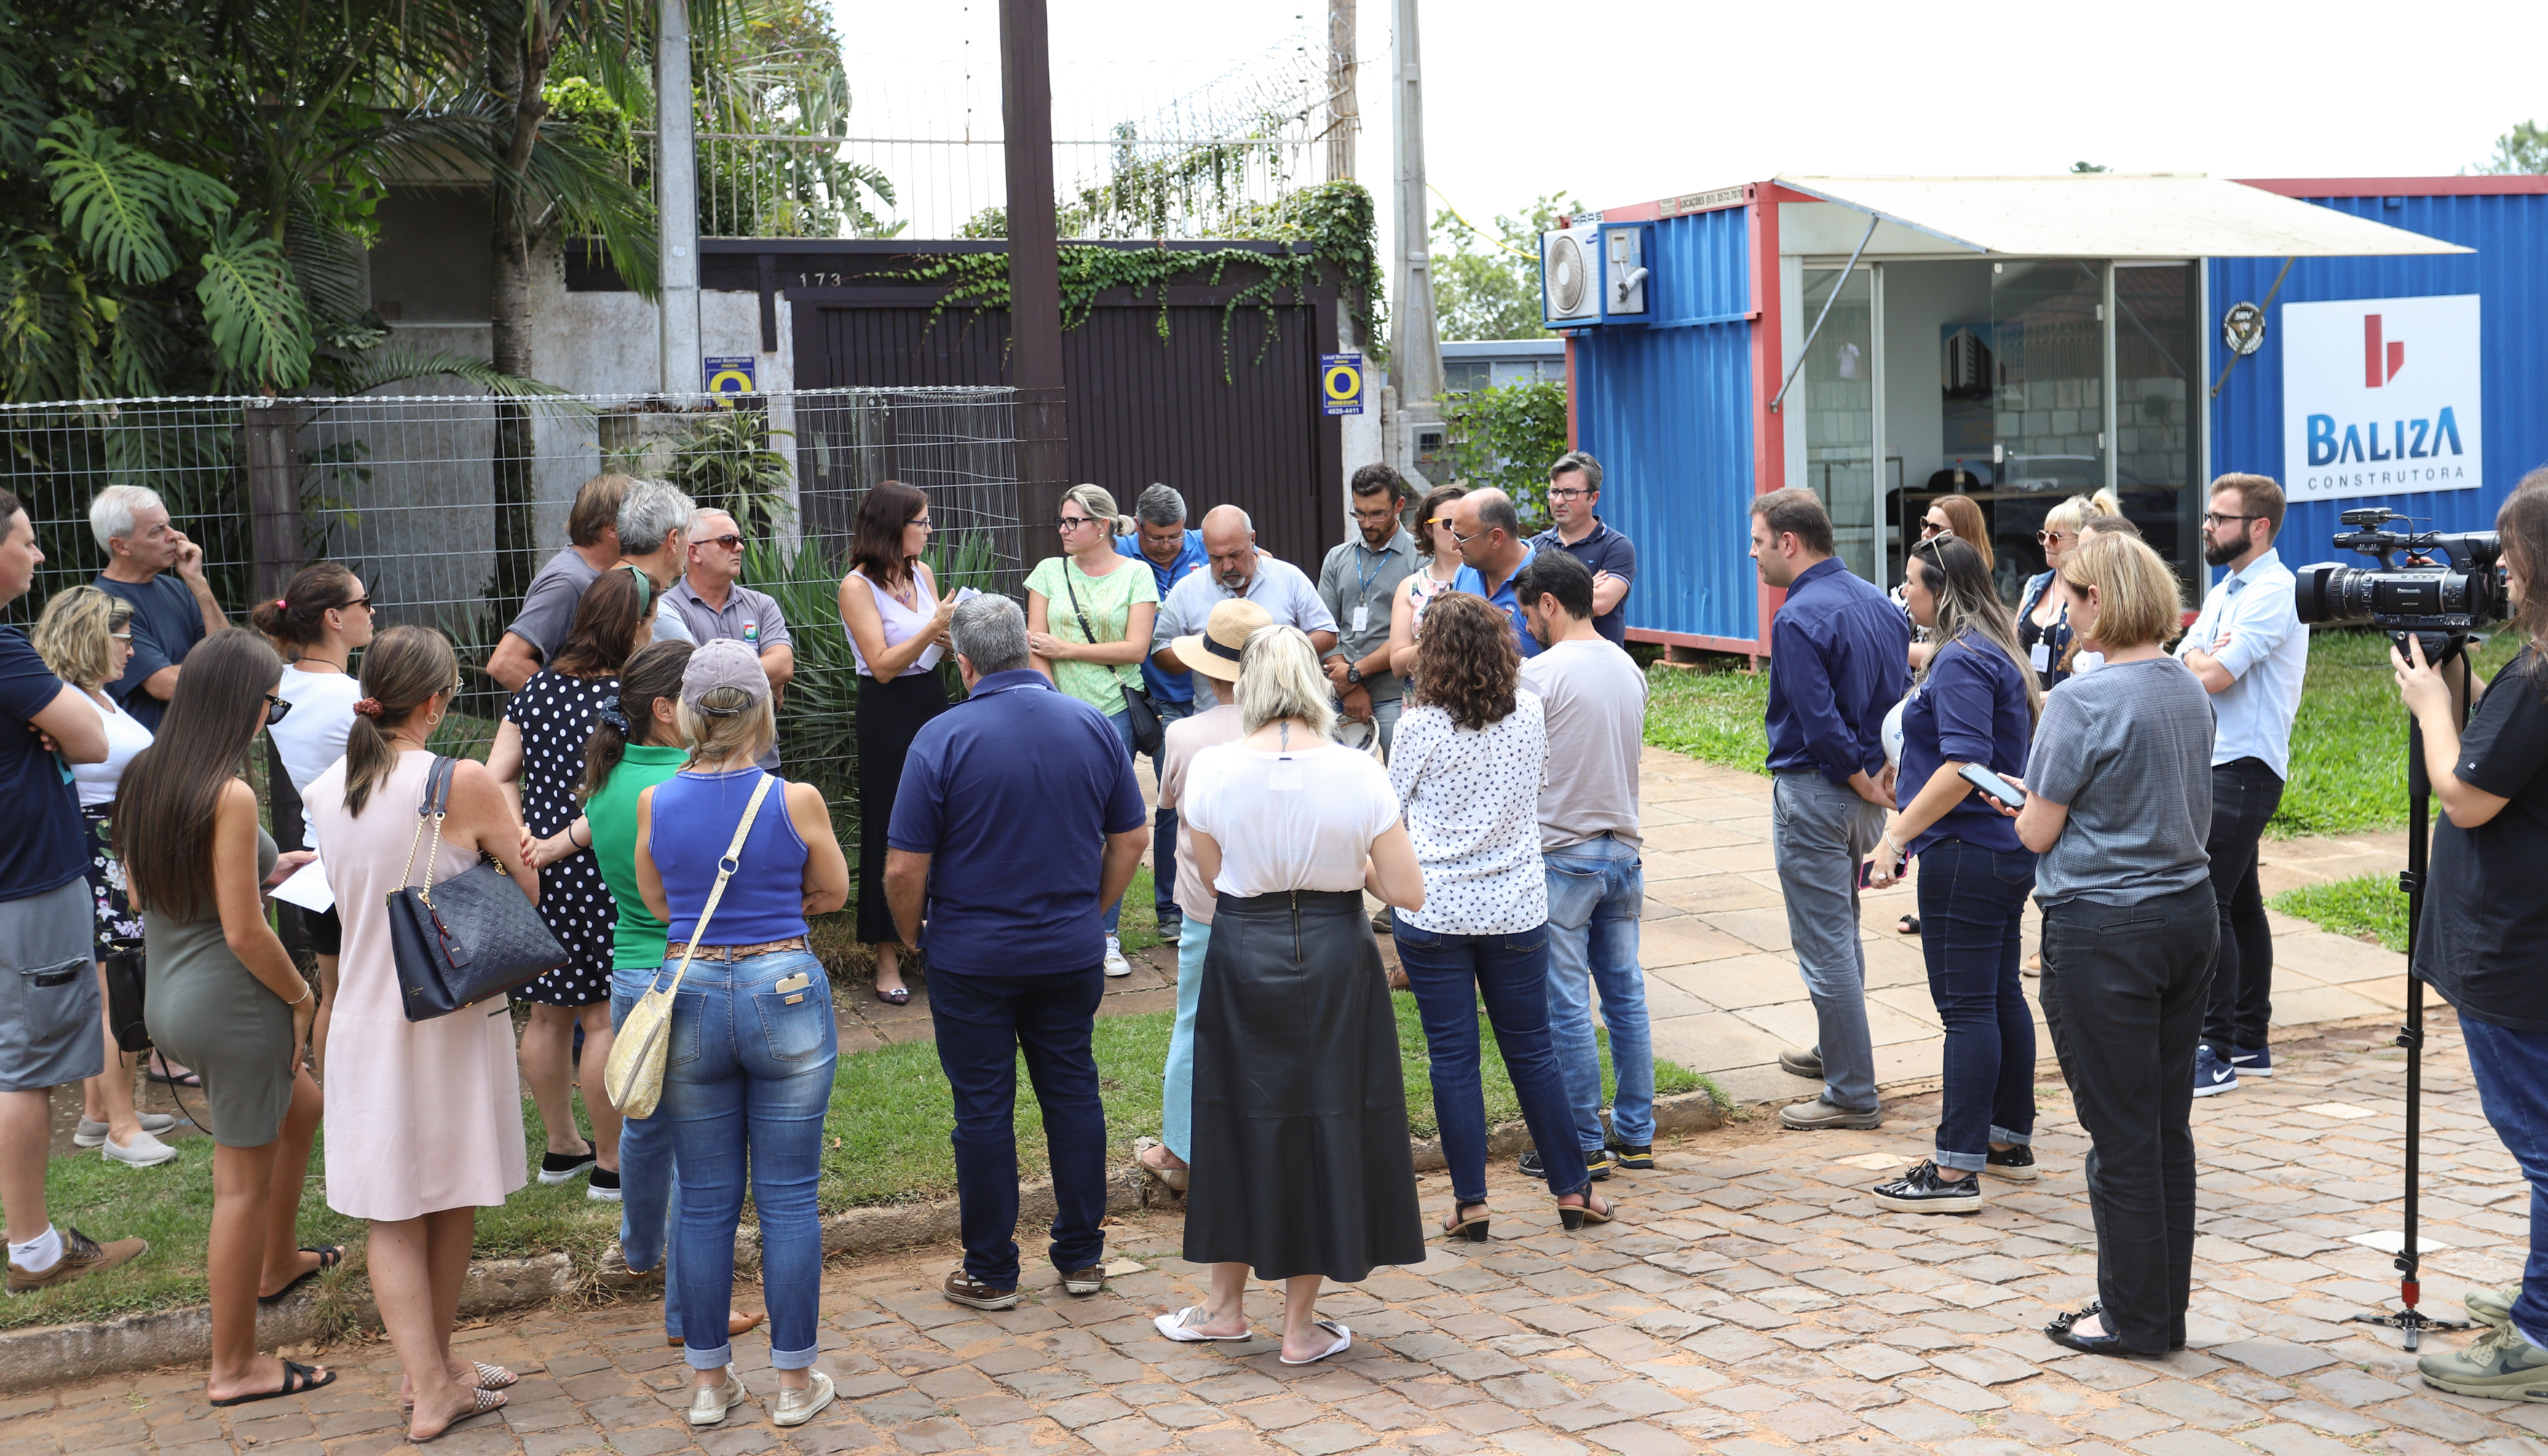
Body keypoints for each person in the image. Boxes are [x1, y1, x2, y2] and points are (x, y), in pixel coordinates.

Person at [1158, 624, 1427, 1362]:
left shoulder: (1211, 768)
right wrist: (1348, 861)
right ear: (1313, 683)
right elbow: (1407, 890)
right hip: (1335, 951)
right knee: (1326, 1116)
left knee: (1231, 1115)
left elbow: (1215, 877)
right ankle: (1299, 1326)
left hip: (1244, 946)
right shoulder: (1357, 770)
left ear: (1246, 684)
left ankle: (1224, 1306)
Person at [306, 625, 537, 1440]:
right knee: (451, 1195)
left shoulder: (327, 787)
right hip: (449, 1016)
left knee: (393, 1211)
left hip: (364, 1018)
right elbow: (525, 887)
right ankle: (432, 1383)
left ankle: (432, 1368)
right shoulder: (460, 780)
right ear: (436, 702)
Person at [886, 596, 1148, 1311]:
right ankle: (1083, 1255)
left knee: (982, 1109)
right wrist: (1090, 908)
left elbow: (904, 867)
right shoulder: (1090, 724)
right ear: (1028, 650)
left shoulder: (941, 737)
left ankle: (991, 1269)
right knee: (1073, 1094)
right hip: (1067, 949)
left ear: (965, 663)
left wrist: (912, 935)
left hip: (972, 954)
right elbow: (1130, 837)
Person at [2002, 532, 2215, 1358]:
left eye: (2071, 593)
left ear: (2099, 600)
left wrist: (2023, 803)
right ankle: (2158, 1306)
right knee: (2163, 1127)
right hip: (2186, 913)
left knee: (2121, 1136)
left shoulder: (2080, 700)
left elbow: (2036, 830)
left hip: (2104, 927)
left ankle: (2132, 1317)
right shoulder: (2186, 684)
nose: (2063, 608)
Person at [525, 643, 767, 1353]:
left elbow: (585, 835)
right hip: (686, 972)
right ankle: (689, 1311)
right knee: (700, 1151)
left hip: (630, 973)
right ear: (666, 710)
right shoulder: (688, 784)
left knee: (646, 1121)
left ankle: (639, 1246)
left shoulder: (610, 777)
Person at [633, 641, 850, 1430]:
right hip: (781, 982)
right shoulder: (795, 798)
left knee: (703, 1202)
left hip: (690, 989)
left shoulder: (656, 801)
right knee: (789, 1198)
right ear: (763, 708)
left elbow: (660, 905)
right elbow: (833, 889)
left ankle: (707, 1383)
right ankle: (794, 1381)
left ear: (687, 713)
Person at [120, 629, 339, 1404]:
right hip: (234, 1002)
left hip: (170, 999)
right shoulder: (231, 792)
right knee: (239, 1186)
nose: (269, 717)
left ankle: (276, 1262)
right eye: (270, 704)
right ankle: (234, 1365)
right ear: (240, 702)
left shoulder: (146, 774)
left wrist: (264, 867)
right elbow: (246, 933)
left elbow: (146, 893)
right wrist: (303, 998)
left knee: (302, 1106)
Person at [2396, 471, 2548, 1400]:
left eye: (2509, 552)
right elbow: (2506, 746)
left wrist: (2429, 709)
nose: (2498, 570)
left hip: (2515, 951)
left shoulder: (2540, 676)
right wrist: (2455, 676)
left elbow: (2464, 794)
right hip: (2526, 942)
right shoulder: (2530, 676)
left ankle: (2536, 1332)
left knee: (2541, 1144)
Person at [1389, 592, 1606, 1238]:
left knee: (1453, 1058)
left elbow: (1388, 809)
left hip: (1435, 909)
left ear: (1432, 655)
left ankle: (1472, 1203)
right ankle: (1574, 1190)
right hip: (1514, 905)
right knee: (1534, 1050)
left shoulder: (1417, 726)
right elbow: (1537, 786)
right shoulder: (1530, 711)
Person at [1859, 537, 2043, 1212]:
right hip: (2000, 851)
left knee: (1967, 1009)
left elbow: (1962, 767)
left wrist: (1895, 836)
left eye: (1912, 582)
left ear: (1942, 590)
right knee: (1997, 995)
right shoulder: (1994, 649)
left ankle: (1953, 1171)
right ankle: (2004, 1141)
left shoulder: (1963, 658)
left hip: (1967, 854)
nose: (1904, 592)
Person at [1, 488, 145, 1297]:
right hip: (27, 880)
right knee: (25, 1069)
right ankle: (34, 1250)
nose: (39, 554)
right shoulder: (5, 651)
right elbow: (89, 737)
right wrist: (54, 728)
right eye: (25, 541)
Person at [1750, 487, 1911, 1131]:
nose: (1754, 554)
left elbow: (1818, 722)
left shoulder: (1796, 617)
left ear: (1789, 543)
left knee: (1825, 944)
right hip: (1863, 795)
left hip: (1822, 791)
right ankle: (1836, 1050)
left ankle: (1850, 1092)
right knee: (1840, 930)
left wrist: (1862, 778)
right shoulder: (1881, 602)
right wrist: (1880, 773)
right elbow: (1902, 700)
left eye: (1759, 542)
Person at [487, 569, 651, 1200]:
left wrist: (523, 836)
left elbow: (498, 772)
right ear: (632, 626)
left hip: (540, 869)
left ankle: (561, 1148)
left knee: (547, 1013)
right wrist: (565, 836)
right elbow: (615, 793)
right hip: (604, 864)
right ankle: (611, 1164)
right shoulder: (629, 698)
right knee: (603, 1015)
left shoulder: (537, 688)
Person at [1514, 551, 1655, 1179]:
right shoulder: (1628, 666)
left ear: (1549, 603)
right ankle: (1636, 1134)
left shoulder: (1538, 676)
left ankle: (1580, 1144)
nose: (1528, 628)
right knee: (1625, 996)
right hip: (1623, 851)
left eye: (1528, 615)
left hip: (1563, 855)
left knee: (1567, 1004)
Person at [32, 587, 178, 1166]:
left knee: (115, 983)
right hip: (94, 849)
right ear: (90, 637)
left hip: (119, 846)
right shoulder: (62, 701)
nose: (132, 650)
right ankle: (121, 1127)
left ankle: (99, 1113)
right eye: (124, 638)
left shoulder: (101, 697)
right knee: (114, 987)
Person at [2176, 473, 2307, 1098]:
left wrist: (2202, 657)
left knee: (2210, 902)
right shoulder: (2228, 587)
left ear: (2258, 527)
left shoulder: (2276, 591)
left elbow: (2213, 675)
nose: (2207, 527)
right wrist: (2201, 653)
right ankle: (2251, 1041)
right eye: (2208, 516)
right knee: (2242, 902)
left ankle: (2215, 1049)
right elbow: (2185, 655)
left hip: (2245, 766)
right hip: (2219, 762)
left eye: (2219, 519)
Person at [1133, 598, 1265, 1192]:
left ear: (1210, 671)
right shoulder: (1296, 730)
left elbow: (1166, 803)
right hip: (1274, 905)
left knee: (1193, 1023)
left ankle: (1181, 1150)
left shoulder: (1186, 733)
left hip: (1207, 908)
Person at [1026, 485, 1160, 979]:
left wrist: (1068, 650)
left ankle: (1104, 933)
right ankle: (1054, 925)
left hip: (1113, 713)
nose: (1063, 530)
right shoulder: (1048, 572)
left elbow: (1136, 649)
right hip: (1056, 712)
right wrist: (1047, 700)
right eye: (1061, 521)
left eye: (1072, 521)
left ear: (1101, 526)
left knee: (1109, 824)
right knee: (1057, 820)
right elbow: (1035, 645)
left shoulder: (1137, 574)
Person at [253, 562, 375, 1080]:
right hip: (364, 860)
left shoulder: (278, 689)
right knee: (376, 993)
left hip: (316, 858)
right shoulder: (355, 700)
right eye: (364, 603)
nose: (372, 612)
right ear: (334, 618)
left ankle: (335, 1101)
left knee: (335, 994)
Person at [836, 481, 954, 1005]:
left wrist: (949, 637)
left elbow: (932, 648)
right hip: (886, 710)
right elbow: (882, 665)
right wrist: (933, 629)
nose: (928, 531)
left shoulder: (921, 573)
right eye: (921, 522)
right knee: (888, 825)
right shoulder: (857, 587)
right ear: (893, 525)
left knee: (944, 819)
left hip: (931, 698)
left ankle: (937, 940)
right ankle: (886, 956)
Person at [1116, 483, 1209, 941]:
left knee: (1201, 800)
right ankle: (1170, 907)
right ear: (1138, 528)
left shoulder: (1204, 546)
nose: (1168, 545)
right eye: (1156, 537)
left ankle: (1203, 901)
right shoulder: (1120, 553)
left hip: (1209, 694)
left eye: (1175, 536)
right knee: (1169, 801)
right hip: (1153, 699)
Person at [1152, 505, 1338, 708]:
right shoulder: (1186, 589)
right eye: (1216, 558)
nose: (1227, 566)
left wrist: (1280, 652)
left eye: (1235, 555)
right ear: (1205, 546)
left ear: (1253, 539)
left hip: (1285, 715)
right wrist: (1208, 649)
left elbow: (1327, 634)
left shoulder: (1289, 577)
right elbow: (1161, 653)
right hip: (1216, 717)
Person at [89, 484, 229, 732]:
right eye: (157, 531)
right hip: (154, 749)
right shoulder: (103, 605)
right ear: (121, 546)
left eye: (168, 525)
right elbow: (166, 685)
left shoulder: (177, 587)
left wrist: (198, 583)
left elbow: (227, 650)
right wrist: (227, 670)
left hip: (202, 741)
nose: (174, 536)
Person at [665, 507, 794, 769]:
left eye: (739, 540)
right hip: (698, 763)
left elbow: (783, 666)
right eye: (727, 541)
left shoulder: (762, 605)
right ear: (694, 552)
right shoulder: (668, 610)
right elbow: (684, 677)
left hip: (761, 760)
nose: (739, 548)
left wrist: (714, 674)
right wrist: (761, 679)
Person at [487, 474, 628, 692]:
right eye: (638, 521)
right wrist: (567, 706)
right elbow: (505, 663)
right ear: (612, 528)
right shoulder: (566, 582)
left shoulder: (588, 574)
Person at [1318, 464, 1420, 751]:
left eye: (1377, 514)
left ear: (1399, 505)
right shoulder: (1337, 558)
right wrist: (1348, 686)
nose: (1367, 523)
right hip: (1338, 697)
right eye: (1359, 513)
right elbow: (1324, 628)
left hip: (1395, 695)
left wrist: (1355, 673)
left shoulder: (1420, 558)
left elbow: (1415, 636)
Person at [1527, 451, 1637, 646]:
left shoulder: (1616, 547)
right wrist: (1584, 588)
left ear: (1593, 498)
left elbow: (1600, 604)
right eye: (1554, 492)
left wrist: (1546, 595)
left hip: (1599, 660)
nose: (1559, 501)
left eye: (1570, 492)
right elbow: (1524, 602)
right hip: (1547, 660)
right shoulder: (1534, 547)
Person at [2014, 490, 2117, 694]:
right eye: (2043, 535)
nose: (2046, 543)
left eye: (2055, 537)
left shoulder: (2091, 594)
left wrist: (2050, 698)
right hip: (2025, 703)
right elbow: (2013, 643)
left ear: (2081, 540)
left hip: (2064, 702)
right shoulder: (2035, 585)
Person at [1385, 483, 1470, 684]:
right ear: (1428, 528)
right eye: (1448, 523)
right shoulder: (1411, 587)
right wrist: (1447, 643)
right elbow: (1397, 663)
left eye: (1464, 523)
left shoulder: (1486, 577)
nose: (1457, 530)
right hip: (1424, 700)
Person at [1448, 490, 1541, 657]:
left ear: (1496, 538)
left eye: (1461, 538)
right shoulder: (1466, 571)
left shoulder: (1544, 582)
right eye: (1453, 533)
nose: (1454, 545)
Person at [618, 480, 698, 644]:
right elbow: (696, 661)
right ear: (673, 540)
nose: (690, 543)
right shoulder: (650, 610)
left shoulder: (601, 587)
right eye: (688, 533)